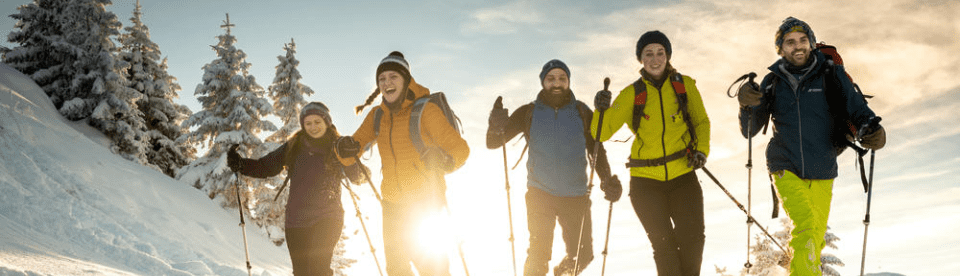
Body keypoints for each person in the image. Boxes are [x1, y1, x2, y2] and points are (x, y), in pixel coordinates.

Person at [737, 17, 886, 276]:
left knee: (815, 237)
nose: (798, 46)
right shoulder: (772, 82)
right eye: (790, 42)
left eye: (803, 40)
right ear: (780, 49)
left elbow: (857, 109)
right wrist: (745, 103)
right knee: (806, 226)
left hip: (823, 165)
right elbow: (749, 130)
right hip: (784, 165)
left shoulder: (832, 74)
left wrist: (874, 129)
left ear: (812, 43)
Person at [336, 51, 470, 276]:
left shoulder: (426, 111)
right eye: (382, 79)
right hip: (392, 205)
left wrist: (444, 160)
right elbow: (354, 150)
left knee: (433, 270)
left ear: (406, 79)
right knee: (396, 270)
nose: (387, 83)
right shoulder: (377, 116)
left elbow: (460, 150)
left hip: (426, 203)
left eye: (393, 77)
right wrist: (343, 148)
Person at [487, 59, 620, 276]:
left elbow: (596, 149)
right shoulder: (528, 112)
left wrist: (606, 180)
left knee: (583, 254)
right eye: (551, 78)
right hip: (540, 193)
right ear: (543, 82)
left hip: (576, 195)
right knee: (539, 254)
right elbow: (493, 142)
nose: (556, 83)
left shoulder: (582, 112)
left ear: (568, 81)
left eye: (562, 78)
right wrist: (495, 125)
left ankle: (563, 273)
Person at [593, 30, 711, 276]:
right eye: (649, 54)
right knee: (664, 245)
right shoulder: (632, 93)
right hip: (645, 181)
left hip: (683, 174)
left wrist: (701, 151)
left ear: (667, 56)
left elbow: (701, 122)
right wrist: (600, 109)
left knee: (693, 240)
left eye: (660, 53)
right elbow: (600, 133)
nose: (655, 59)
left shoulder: (684, 86)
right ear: (641, 59)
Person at [226, 102, 368, 276]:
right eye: (308, 123)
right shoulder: (294, 146)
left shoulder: (338, 146)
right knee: (301, 272)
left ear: (327, 122)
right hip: (296, 220)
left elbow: (359, 178)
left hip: (328, 217)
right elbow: (266, 167)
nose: (313, 127)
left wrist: (351, 157)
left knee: (319, 269)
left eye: (317, 122)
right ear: (303, 125)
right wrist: (240, 164)